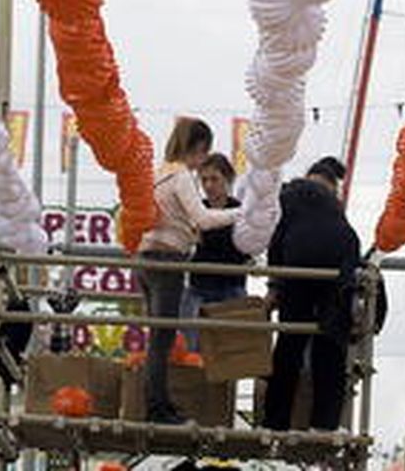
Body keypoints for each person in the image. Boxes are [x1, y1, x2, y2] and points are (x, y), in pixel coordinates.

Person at [137, 117, 238, 424]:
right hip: (167, 261)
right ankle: (156, 408)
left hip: (146, 258)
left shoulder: (159, 173)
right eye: (203, 152)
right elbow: (204, 218)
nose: (202, 161)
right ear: (196, 147)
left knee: (158, 337)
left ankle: (158, 403)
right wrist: (244, 212)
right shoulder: (180, 176)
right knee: (162, 339)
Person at [262, 156, 360, 432]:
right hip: (339, 261)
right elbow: (349, 244)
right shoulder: (333, 206)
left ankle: (275, 422)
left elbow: (277, 242)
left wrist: (274, 286)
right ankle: (326, 424)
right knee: (330, 343)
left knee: (290, 343)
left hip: (300, 261)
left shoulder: (288, 195)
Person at [182, 152, 250, 350]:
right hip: (199, 288)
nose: (209, 185)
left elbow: (245, 250)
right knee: (193, 350)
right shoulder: (197, 209)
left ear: (228, 180)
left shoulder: (240, 210)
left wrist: (204, 239)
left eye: (214, 179)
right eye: (204, 180)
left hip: (231, 287)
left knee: (229, 352)